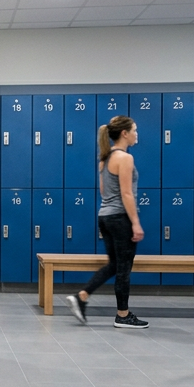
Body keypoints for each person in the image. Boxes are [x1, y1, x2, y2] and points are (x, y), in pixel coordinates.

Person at [66, 115, 148, 328]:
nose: (136, 134)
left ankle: (82, 296)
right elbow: (127, 194)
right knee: (123, 269)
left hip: (105, 216)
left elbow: (104, 191)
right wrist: (136, 223)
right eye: (134, 130)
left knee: (115, 265)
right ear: (124, 133)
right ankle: (123, 315)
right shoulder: (125, 158)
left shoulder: (104, 158)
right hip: (121, 218)